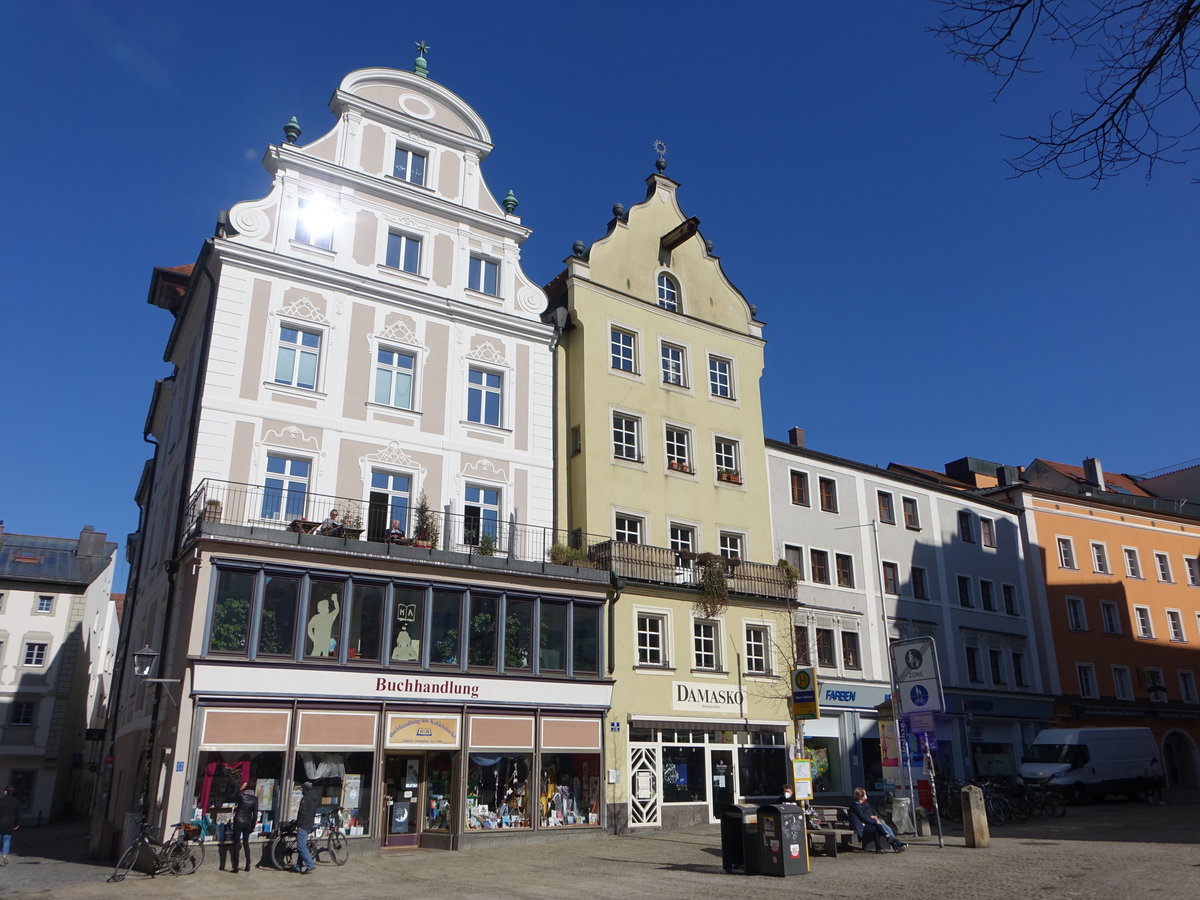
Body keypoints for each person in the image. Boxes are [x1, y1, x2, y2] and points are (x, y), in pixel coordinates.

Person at [850, 787, 907, 853]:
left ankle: (893, 843)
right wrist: (873, 820)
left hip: (867, 821)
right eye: (865, 794)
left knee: (886, 828)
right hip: (860, 825)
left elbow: (870, 812)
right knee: (878, 825)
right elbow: (862, 817)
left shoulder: (864, 803)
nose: (866, 795)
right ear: (861, 796)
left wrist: (875, 816)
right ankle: (894, 843)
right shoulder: (856, 805)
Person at [229, 781, 258, 874]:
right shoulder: (255, 799)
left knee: (236, 843)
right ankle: (248, 865)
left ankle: (236, 867)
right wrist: (253, 826)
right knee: (246, 843)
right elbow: (255, 815)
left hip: (238, 821)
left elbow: (232, 796)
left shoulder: (241, 796)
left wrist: (240, 789)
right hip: (248, 822)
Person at [293, 781, 318, 874]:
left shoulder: (305, 799)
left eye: (302, 788)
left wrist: (298, 825)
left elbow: (301, 813)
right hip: (309, 824)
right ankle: (298, 867)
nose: (301, 790)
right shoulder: (314, 798)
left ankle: (310, 864)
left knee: (301, 846)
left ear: (305, 789)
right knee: (302, 845)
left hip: (303, 825)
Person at [0, 786, 20, 865]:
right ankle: (5, 855)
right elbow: (18, 814)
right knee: (6, 840)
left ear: (5, 792)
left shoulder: (1, 801)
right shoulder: (16, 802)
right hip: (9, 824)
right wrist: (17, 823)